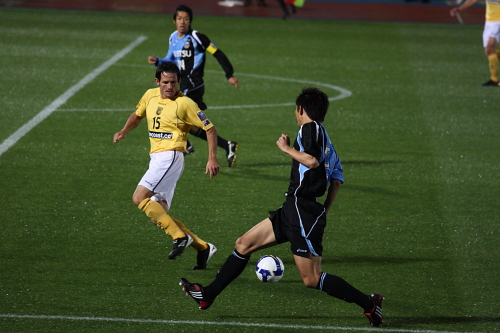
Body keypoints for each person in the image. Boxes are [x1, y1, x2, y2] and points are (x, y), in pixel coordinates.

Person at [179, 87, 385, 327]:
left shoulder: (310, 129)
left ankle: (370, 305)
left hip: (302, 211)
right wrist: (324, 211)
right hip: (295, 208)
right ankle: (208, 295)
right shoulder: (325, 137)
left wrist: (286, 149)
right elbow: (337, 179)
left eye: (296, 109)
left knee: (311, 278)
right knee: (243, 244)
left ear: (301, 109)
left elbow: (312, 160)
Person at [113, 61, 218, 270]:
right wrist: (125, 130)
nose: (169, 87)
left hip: (170, 157)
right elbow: (137, 116)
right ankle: (203, 247)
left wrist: (212, 158)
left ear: (179, 82)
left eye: (173, 82)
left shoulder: (185, 103)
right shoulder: (150, 95)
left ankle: (180, 237)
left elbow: (210, 128)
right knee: (158, 215)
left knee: (138, 197)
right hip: (158, 159)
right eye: (165, 82)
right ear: (157, 81)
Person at [148, 5, 239, 166]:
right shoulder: (173, 38)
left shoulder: (197, 37)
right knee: (192, 125)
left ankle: (186, 145)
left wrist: (229, 74)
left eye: (186, 19)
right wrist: (158, 62)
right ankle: (227, 145)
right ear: (174, 21)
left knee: (173, 110)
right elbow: (170, 59)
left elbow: (217, 52)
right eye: (179, 18)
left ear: (190, 22)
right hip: (183, 85)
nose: (182, 22)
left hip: (195, 85)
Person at [450, 0, 500, 86]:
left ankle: (494, 79)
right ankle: (494, 79)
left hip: (498, 21)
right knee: (489, 51)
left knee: (489, 46)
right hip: (489, 21)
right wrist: (459, 9)